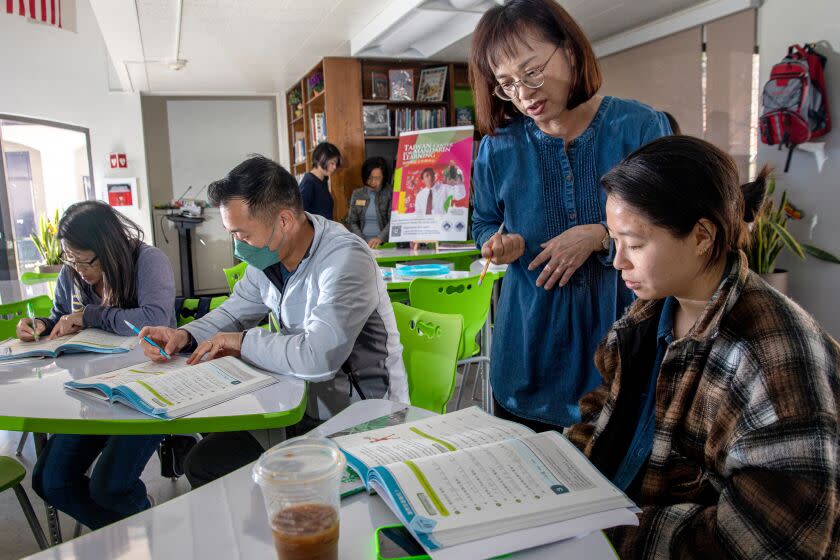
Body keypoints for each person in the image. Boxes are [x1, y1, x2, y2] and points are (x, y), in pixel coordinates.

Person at [566, 136, 839, 559]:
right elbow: (607, 406)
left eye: (635, 244)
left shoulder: (774, 355)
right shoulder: (649, 314)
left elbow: (775, 539)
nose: (619, 261)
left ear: (702, 236)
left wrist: (611, 535)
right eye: (614, 242)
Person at [138, 155, 408, 488]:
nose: (237, 247)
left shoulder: (344, 260)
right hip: (300, 403)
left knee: (231, 472)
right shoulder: (269, 259)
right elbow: (234, 311)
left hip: (361, 419)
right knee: (205, 460)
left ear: (283, 221)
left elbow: (318, 358)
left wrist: (242, 342)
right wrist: (184, 333)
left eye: (242, 234)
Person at [469, 0, 672, 431]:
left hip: (619, 346)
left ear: (572, 51)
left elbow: (670, 220)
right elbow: (483, 222)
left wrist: (600, 234)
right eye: (506, 84)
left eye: (532, 72)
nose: (523, 95)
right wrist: (499, 243)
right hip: (529, 349)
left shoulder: (638, 128)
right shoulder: (498, 148)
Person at [23, 201, 176, 530]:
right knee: (49, 481)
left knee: (108, 487)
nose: (77, 268)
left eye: (84, 260)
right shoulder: (72, 272)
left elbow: (155, 319)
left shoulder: (147, 261)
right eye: (70, 259)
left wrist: (90, 315)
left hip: (150, 391)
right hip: (92, 393)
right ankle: (128, 528)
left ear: (109, 246)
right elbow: (62, 316)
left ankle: (137, 519)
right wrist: (40, 325)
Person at [346, 156, 393, 248]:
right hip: (362, 244)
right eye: (370, 178)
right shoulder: (358, 194)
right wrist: (361, 241)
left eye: (377, 178)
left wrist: (380, 238)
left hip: (384, 244)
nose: (373, 182)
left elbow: (393, 221)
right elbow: (352, 221)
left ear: (384, 177)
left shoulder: (390, 193)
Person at [299, 141, 341, 220]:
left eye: (336, 163)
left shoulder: (323, 181)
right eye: (332, 163)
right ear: (321, 159)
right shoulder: (309, 182)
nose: (335, 167)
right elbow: (300, 215)